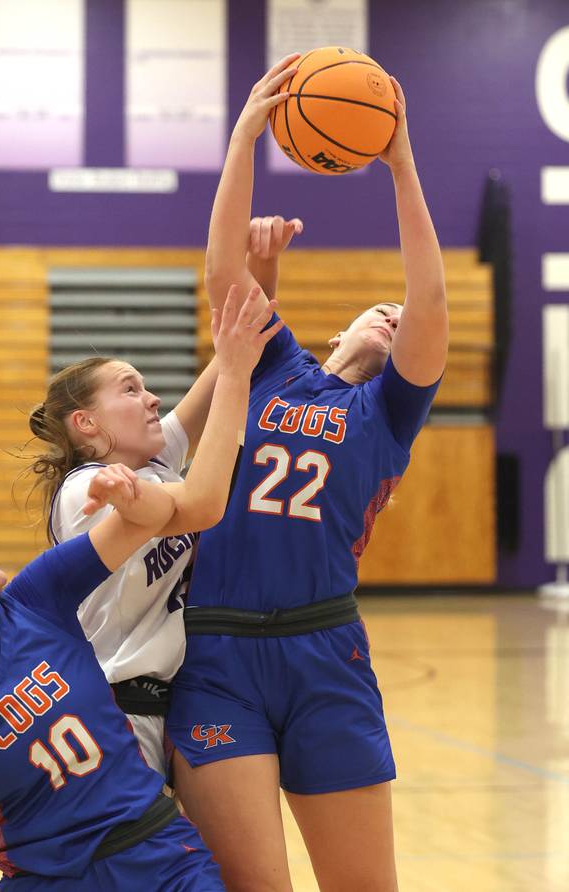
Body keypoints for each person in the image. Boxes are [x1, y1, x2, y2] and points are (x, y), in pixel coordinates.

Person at [0, 287, 282, 890]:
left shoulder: (35, 593)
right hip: (58, 860)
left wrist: (254, 290)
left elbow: (180, 491)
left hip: (154, 831)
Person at [166, 55, 449, 892]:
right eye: (379, 309)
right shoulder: (270, 365)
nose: (393, 315)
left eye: (399, 321)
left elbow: (429, 300)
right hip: (217, 652)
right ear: (341, 328)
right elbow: (224, 277)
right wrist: (246, 136)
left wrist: (400, 163)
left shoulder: (389, 414)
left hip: (326, 650)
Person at [27, 237, 296, 777]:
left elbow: (233, 347)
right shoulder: (89, 488)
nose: (152, 399)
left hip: (170, 702)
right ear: (87, 423)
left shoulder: (152, 459)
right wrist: (238, 376)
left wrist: (262, 269)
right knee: (140, 861)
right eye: (131, 389)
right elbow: (201, 503)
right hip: (113, 708)